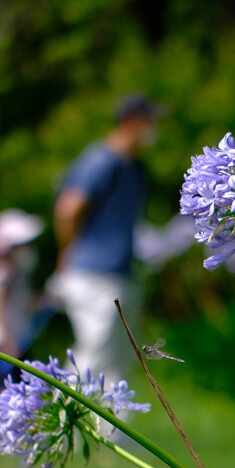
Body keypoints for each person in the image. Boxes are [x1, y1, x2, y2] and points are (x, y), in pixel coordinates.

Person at [51, 93, 162, 393]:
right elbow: (68, 209)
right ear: (131, 122)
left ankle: (111, 433)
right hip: (93, 275)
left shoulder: (135, 168)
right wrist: (67, 253)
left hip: (121, 274)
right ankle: (59, 421)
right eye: (150, 121)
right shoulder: (102, 160)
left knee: (119, 363)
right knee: (93, 357)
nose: (154, 129)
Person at [0, 208, 46, 395]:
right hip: (3, 344)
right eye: (22, 245)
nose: (28, 249)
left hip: (19, 340)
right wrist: (6, 341)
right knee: (2, 391)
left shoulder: (19, 275)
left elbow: (25, 305)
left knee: (22, 391)